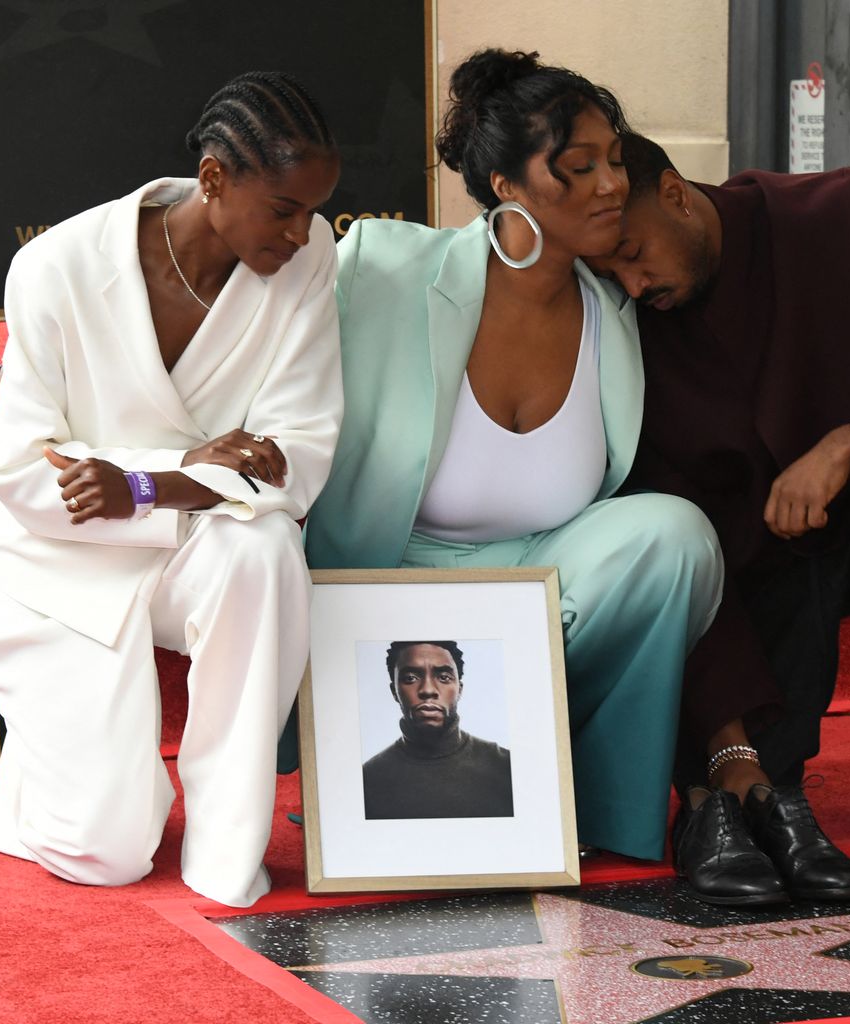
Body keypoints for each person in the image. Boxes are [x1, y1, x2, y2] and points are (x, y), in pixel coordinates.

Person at [301, 46, 723, 872]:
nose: (611, 183)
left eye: (613, 159)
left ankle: (604, 809)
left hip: (546, 592)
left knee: (673, 537)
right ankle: (438, 785)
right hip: (395, 596)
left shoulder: (618, 303)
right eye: (578, 166)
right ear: (507, 185)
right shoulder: (383, 270)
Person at [0, 72, 343, 907]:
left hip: (194, 536)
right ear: (213, 179)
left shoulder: (308, 258)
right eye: (283, 209)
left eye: (314, 210)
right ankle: (53, 779)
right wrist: (193, 473)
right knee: (106, 853)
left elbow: (294, 454)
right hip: (54, 564)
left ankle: (226, 854)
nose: (302, 232)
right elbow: (23, 469)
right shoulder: (56, 265)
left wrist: (142, 480)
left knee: (265, 550)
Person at [588, 134, 850, 879]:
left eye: (633, 250)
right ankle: (729, 776)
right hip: (745, 562)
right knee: (762, 790)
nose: (632, 281)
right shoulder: (620, 319)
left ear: (677, 195)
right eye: (609, 269)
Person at [362, 641, 514, 819]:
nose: (428, 690)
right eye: (410, 678)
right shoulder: (367, 780)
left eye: (443, 677)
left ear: (459, 689)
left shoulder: (507, 767)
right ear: (394, 691)